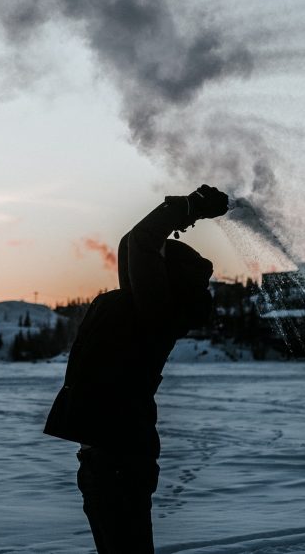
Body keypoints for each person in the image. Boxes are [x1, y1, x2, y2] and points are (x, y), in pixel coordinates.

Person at [44, 184, 229, 553]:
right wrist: (185, 212)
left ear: (167, 278)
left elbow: (142, 243)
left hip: (118, 463)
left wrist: (188, 208)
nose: (148, 262)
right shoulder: (144, 305)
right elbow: (134, 244)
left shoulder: (158, 310)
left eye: (161, 262)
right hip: (110, 460)